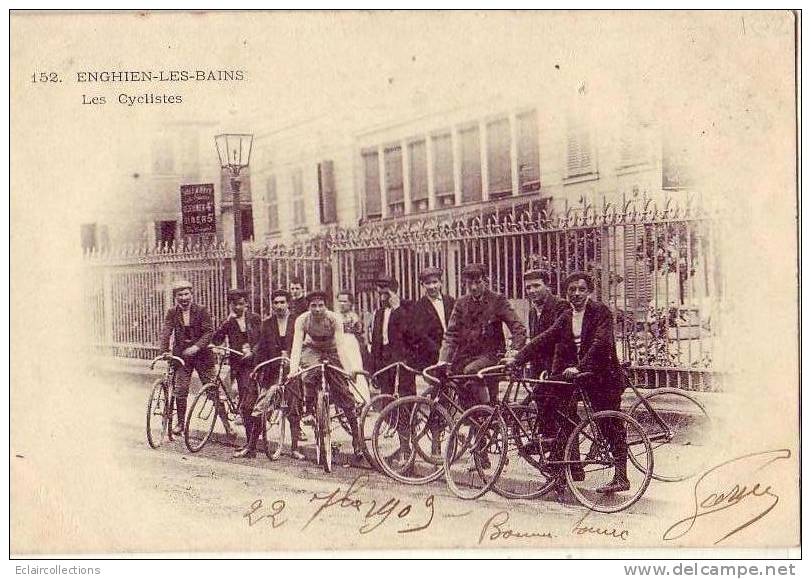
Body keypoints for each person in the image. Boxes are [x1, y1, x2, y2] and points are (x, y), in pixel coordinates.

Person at [504, 271, 629, 494]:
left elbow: (601, 343)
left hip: (603, 375)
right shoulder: (567, 316)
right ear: (566, 293)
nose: (577, 294)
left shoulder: (600, 311)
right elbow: (545, 339)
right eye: (572, 290)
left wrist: (580, 367)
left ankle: (621, 476)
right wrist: (518, 357)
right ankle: (563, 468)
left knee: (608, 423)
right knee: (555, 404)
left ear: (589, 291)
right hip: (579, 375)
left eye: (581, 289)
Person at [289, 291, 365, 464]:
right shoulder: (302, 320)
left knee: (344, 394)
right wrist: (293, 370)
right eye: (313, 306)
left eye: (321, 305)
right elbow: (296, 346)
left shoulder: (334, 318)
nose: (317, 309)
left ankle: (357, 440)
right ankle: (309, 409)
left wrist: (348, 370)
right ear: (308, 307)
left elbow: (340, 346)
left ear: (326, 305)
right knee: (309, 374)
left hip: (332, 350)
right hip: (312, 350)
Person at [436, 264, 527, 406]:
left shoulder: (497, 300)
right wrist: (443, 359)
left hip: (492, 356)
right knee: (447, 374)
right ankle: (472, 419)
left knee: (471, 371)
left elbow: (518, 327)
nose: (473, 287)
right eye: (469, 283)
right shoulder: (461, 303)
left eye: (477, 282)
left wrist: (514, 351)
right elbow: (451, 335)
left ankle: (485, 411)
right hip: (467, 356)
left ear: (485, 280)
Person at [158, 279, 216, 436]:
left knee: (212, 390)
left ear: (192, 294)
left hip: (203, 356)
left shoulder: (202, 310)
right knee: (180, 390)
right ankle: (181, 423)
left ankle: (227, 425)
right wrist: (164, 350)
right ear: (175, 297)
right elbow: (166, 331)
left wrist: (196, 347)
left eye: (186, 294)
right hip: (182, 357)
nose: (184, 298)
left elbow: (209, 331)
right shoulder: (172, 312)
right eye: (180, 295)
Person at [212, 289, 262, 458]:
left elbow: (263, 340)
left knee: (248, 406)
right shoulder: (229, 322)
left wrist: (253, 352)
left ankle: (252, 445)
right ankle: (250, 444)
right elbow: (217, 340)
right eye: (235, 304)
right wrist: (225, 323)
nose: (238, 307)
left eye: (241, 303)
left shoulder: (255, 319)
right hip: (238, 366)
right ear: (230, 305)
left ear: (246, 303)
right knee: (245, 405)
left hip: (254, 365)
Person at [254, 289, 302, 459]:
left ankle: (295, 448)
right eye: (276, 302)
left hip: (292, 369)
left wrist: (294, 360)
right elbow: (261, 348)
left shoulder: (298, 321)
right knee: (262, 406)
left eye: (282, 302)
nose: (279, 306)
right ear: (272, 304)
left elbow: (304, 345)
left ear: (288, 303)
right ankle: (251, 445)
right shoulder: (267, 323)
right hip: (273, 369)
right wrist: (258, 367)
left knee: (293, 408)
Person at [404, 267, 455, 371]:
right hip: (433, 357)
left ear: (441, 283)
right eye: (428, 283)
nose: (432, 286)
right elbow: (422, 336)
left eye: (435, 282)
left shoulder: (450, 301)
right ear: (422, 285)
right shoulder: (418, 307)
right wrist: (441, 353)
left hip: (454, 353)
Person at [370, 277, 413, 397]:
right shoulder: (378, 313)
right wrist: (374, 369)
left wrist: (397, 309)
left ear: (394, 292)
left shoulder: (407, 308)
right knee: (386, 397)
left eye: (386, 294)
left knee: (404, 397)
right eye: (380, 294)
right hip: (384, 360)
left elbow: (409, 333)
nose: (382, 298)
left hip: (401, 358)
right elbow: (375, 342)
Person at [524, 269, 570, 378]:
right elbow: (534, 341)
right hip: (539, 371)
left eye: (536, 286)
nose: (532, 290)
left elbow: (561, 343)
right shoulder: (532, 311)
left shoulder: (561, 306)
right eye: (528, 287)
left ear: (547, 286)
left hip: (557, 370)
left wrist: (553, 372)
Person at [336, 291, 371, 404]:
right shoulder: (335, 316)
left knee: (354, 369)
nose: (342, 304)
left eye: (345, 301)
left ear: (351, 303)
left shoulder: (354, 317)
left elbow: (359, 332)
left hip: (351, 344)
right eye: (340, 301)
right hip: (338, 343)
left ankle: (361, 399)